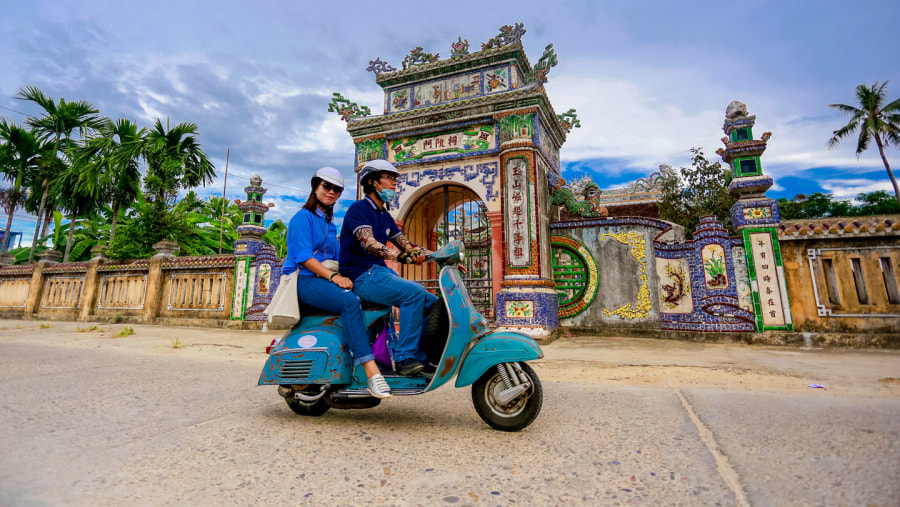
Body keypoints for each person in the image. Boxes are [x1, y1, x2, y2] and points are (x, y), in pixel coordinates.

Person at [281, 167, 391, 398]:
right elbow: (304, 257)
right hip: (303, 279)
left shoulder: (330, 224)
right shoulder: (303, 218)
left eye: (337, 189)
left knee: (377, 299)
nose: (331, 192)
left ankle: (383, 355)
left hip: (322, 278)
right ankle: (371, 373)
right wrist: (333, 276)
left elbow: (340, 257)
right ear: (315, 187)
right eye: (326, 186)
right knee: (349, 302)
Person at [339, 159, 438, 376]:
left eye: (395, 179)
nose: (394, 184)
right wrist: (397, 255)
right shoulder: (359, 209)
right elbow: (369, 243)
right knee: (414, 293)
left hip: (379, 273)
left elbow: (406, 244)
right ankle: (404, 358)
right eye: (389, 178)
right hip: (361, 275)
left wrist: (440, 256)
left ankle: (420, 358)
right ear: (373, 182)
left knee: (434, 304)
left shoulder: (384, 215)